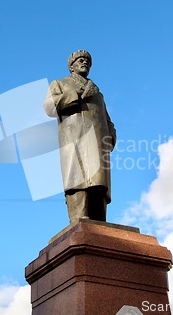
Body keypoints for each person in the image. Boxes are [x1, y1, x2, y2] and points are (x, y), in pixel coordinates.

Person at [44, 50, 116, 223]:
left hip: (98, 141)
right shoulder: (60, 83)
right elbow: (49, 107)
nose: (84, 63)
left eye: (87, 62)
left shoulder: (98, 93)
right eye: (80, 60)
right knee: (77, 179)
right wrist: (75, 94)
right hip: (74, 138)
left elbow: (107, 119)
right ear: (71, 66)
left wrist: (111, 135)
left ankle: (99, 222)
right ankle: (78, 220)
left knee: (98, 182)